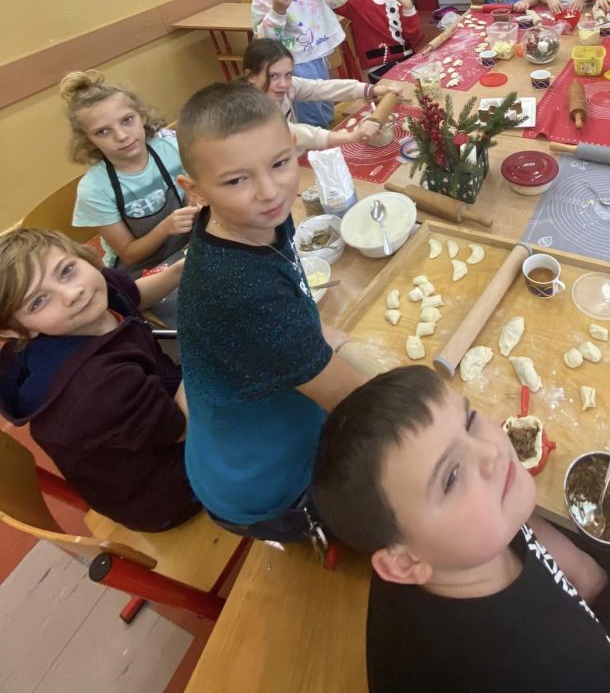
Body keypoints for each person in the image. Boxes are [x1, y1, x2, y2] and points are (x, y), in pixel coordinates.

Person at [313, 366, 610, 693]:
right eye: (452, 476)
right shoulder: (550, 671)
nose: (491, 451)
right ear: (403, 565)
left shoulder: (452, 542)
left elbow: (531, 537)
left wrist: (584, 570)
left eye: (470, 421)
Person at [174, 82, 367, 541]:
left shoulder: (256, 220)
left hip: (248, 434)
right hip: (267, 488)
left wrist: (313, 332)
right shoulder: (240, 289)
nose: (269, 191)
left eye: (280, 163)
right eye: (236, 180)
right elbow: (357, 403)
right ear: (195, 191)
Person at [0, 228, 197, 532]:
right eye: (38, 302)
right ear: (14, 331)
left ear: (82, 257)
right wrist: (206, 342)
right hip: (169, 492)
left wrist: (182, 270)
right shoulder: (96, 390)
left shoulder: (93, 293)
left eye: (66, 270)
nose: (72, 293)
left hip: (162, 408)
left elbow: (132, 294)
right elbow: (182, 427)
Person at [63, 70, 195, 326]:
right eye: (103, 131)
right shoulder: (95, 189)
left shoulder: (170, 147)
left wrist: (198, 197)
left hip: (186, 248)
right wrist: (166, 227)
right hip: (140, 273)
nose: (122, 136)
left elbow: (201, 187)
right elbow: (130, 254)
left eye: (127, 120)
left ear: (142, 116)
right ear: (88, 140)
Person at [251, 0, 351, 129]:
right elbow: (262, 38)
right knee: (312, 118)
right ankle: (320, 145)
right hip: (294, 61)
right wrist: (277, 12)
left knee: (325, 108)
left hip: (318, 53)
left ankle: (327, 141)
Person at [242, 38, 405, 155]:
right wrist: (349, 136)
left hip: (289, 157)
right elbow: (292, 133)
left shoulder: (286, 86)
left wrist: (374, 89)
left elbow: (322, 88)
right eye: (273, 76)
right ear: (251, 76)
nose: (283, 84)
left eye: (288, 74)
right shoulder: (247, 110)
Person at [336, 0, 424, 80]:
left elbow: (415, 37)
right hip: (380, 68)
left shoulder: (401, 2)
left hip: (408, 60)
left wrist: (409, 8)